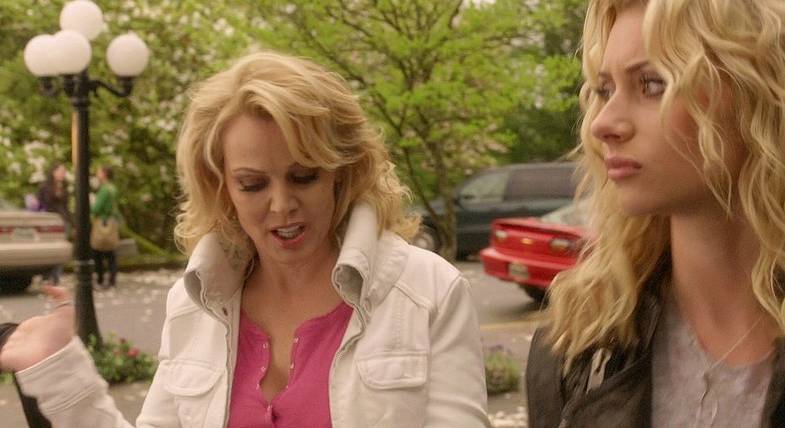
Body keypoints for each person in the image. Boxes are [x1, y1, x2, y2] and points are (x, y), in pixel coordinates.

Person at [0, 51, 490, 427]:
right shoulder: (195, 303)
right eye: (253, 184)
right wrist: (60, 372)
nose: (281, 204)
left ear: (341, 172)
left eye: (303, 177)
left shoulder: (427, 292)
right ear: (222, 188)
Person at [526, 0, 785, 426]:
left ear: (769, 97)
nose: (603, 124)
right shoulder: (580, 349)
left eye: (652, 85)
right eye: (605, 90)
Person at [37, 162, 73, 285]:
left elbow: (66, 207)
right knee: (47, 249)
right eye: (60, 171)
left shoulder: (64, 187)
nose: (63, 174)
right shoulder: (45, 187)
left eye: (64, 172)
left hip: (63, 221)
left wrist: (72, 223)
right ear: (53, 172)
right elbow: (39, 203)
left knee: (59, 250)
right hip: (49, 222)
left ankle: (56, 277)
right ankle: (46, 276)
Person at [91, 164, 120, 288]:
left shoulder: (104, 190)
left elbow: (96, 209)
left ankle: (100, 279)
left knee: (98, 251)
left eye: (99, 171)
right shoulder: (113, 188)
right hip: (112, 222)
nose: (97, 174)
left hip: (102, 222)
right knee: (111, 253)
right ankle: (112, 279)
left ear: (104, 174)